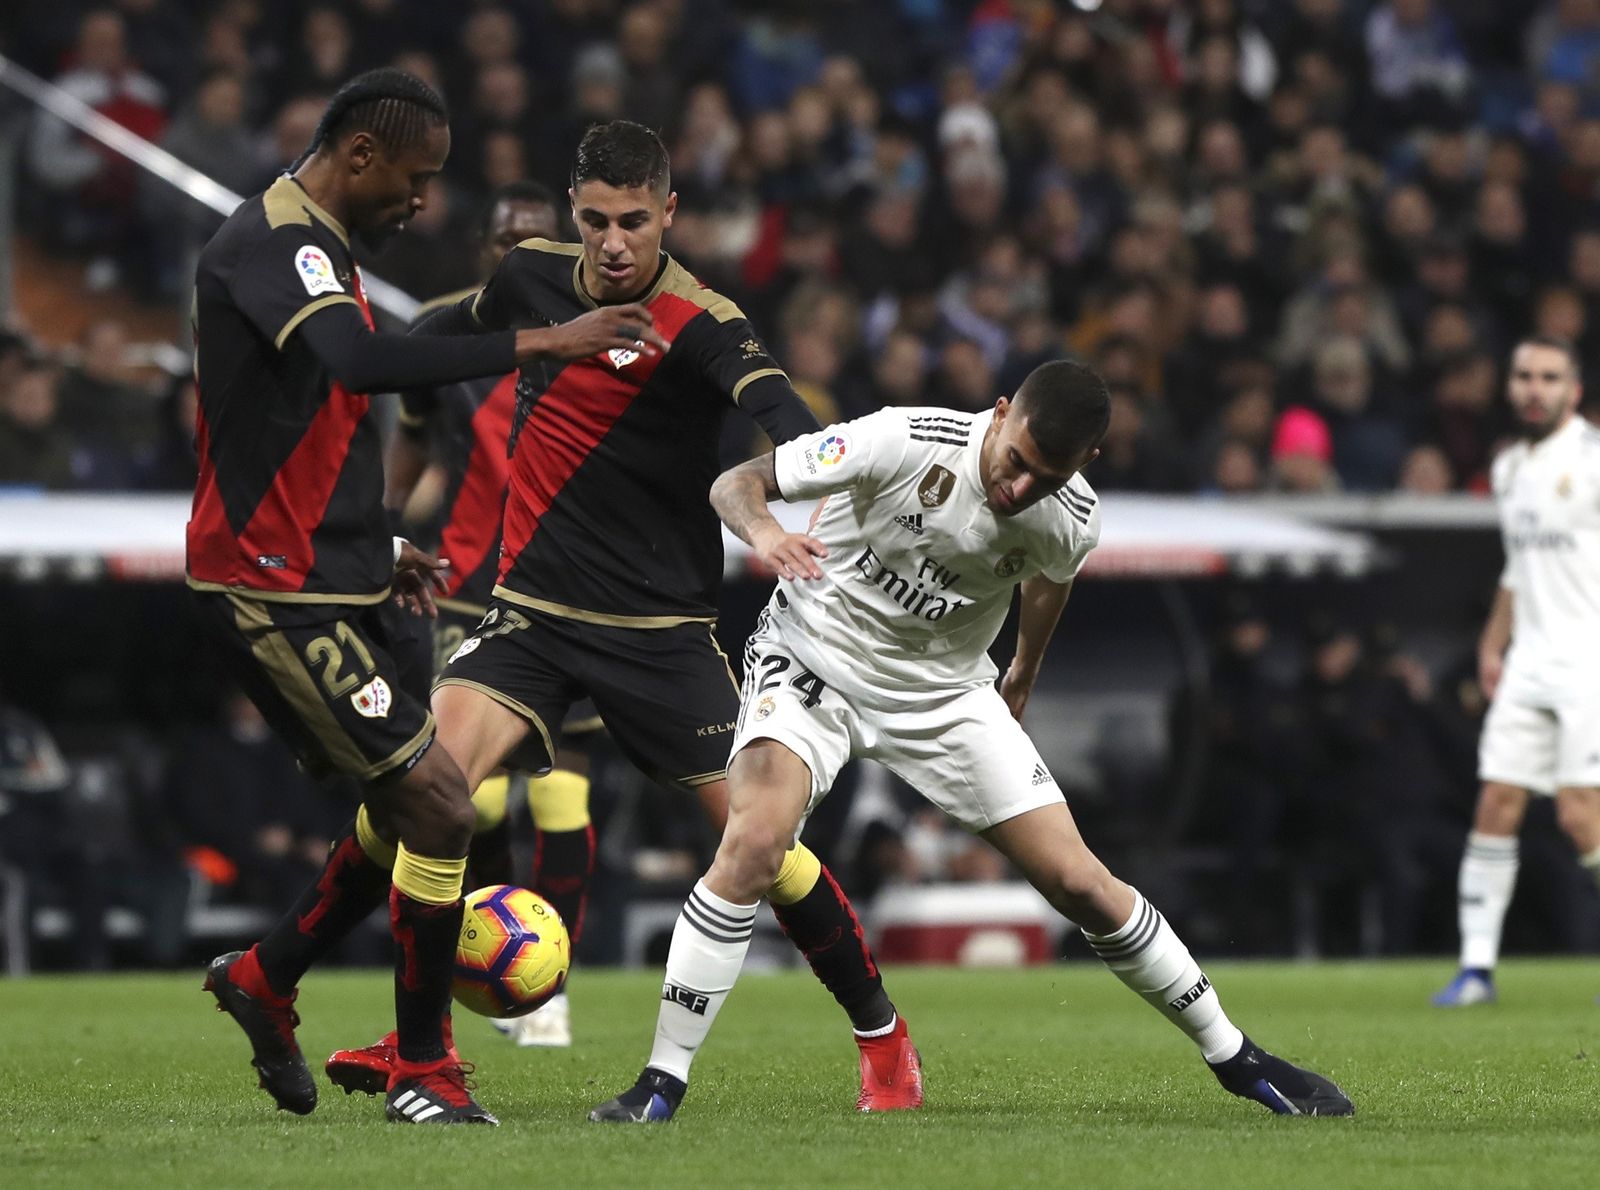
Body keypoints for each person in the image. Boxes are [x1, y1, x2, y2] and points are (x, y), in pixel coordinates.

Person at [325, 121, 918, 1114]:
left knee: (760, 849)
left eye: (633, 221)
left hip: (661, 635)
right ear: (573, 212)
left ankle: (881, 1032)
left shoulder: (704, 319)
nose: (612, 242)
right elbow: (442, 332)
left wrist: (809, 492)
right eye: (595, 219)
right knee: (430, 789)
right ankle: (420, 1053)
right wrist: (348, 355)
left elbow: (777, 408)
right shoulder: (531, 281)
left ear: (668, 214)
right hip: (532, 614)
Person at [591, 360, 1355, 1123]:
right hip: (815, 660)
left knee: (1082, 884)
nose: (1019, 488)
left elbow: (1050, 577)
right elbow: (736, 482)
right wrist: (767, 536)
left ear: (1083, 466)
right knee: (754, 842)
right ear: (999, 414)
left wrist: (1021, 671)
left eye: (1045, 478)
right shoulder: (899, 440)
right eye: (1017, 461)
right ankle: (661, 1082)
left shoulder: (1071, 516)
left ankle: (1237, 1057)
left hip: (946, 695)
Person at [188, 69, 669, 1127]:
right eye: (417, 180)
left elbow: (309, 425)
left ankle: (268, 976)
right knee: (441, 801)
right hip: (270, 594)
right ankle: (423, 1068)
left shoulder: (318, 245)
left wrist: (381, 544)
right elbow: (357, 366)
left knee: (405, 801)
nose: (423, 202)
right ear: (361, 156)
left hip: (326, 581)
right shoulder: (283, 241)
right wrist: (548, 339)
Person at [380, 178, 600, 1049]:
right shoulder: (447, 328)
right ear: (483, 248)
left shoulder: (600, 325)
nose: (520, 251)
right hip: (469, 584)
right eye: (506, 237)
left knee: (565, 795)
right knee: (477, 796)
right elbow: (416, 434)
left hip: (577, 584)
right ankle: (488, 963)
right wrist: (382, 530)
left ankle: (546, 987)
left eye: (538, 236)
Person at [1433, 335, 1600, 1006]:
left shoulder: (1591, 462)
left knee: (1579, 816)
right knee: (1497, 804)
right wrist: (1493, 645)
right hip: (1529, 659)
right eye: (1524, 375)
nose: (1535, 387)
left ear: (1574, 390)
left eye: (1549, 377)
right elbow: (1516, 568)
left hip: (1588, 659)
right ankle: (1476, 970)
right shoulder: (1508, 469)